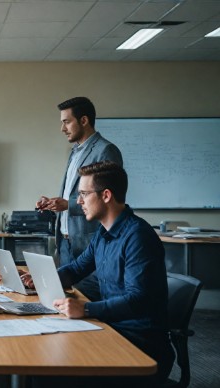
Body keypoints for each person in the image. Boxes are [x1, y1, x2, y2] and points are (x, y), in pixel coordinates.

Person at [26, 161, 174, 388]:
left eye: (84, 194)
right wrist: (39, 279)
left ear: (106, 195)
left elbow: (138, 299)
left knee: (47, 370)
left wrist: (85, 309)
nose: (78, 201)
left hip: (138, 344)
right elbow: (76, 269)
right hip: (112, 329)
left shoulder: (138, 237)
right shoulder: (103, 234)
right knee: (39, 354)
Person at [35, 96, 122, 301]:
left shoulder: (105, 150)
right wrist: (55, 203)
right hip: (66, 242)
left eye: (66, 122)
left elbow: (110, 195)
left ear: (83, 120)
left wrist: (68, 204)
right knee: (68, 300)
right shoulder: (75, 152)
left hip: (88, 241)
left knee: (90, 302)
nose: (62, 128)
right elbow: (76, 193)